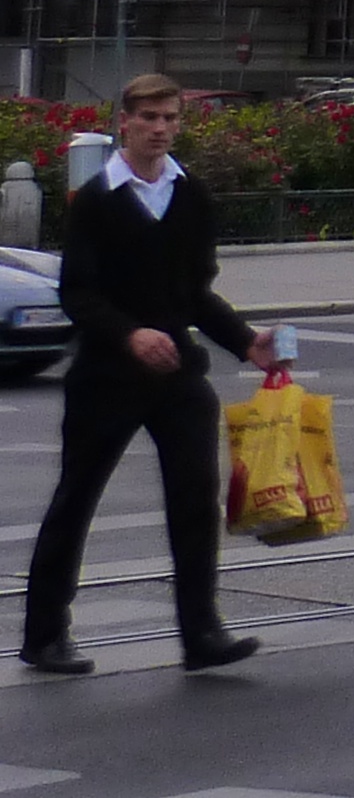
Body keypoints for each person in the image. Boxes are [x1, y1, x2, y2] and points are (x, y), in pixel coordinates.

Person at [22, 72, 289, 676]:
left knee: (195, 501)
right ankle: (44, 635)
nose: (161, 129)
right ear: (125, 123)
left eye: (170, 118)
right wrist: (130, 335)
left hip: (177, 377)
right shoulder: (97, 199)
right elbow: (77, 293)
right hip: (106, 378)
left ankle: (202, 633)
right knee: (76, 500)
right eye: (149, 118)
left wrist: (246, 342)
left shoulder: (189, 195)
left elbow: (196, 293)